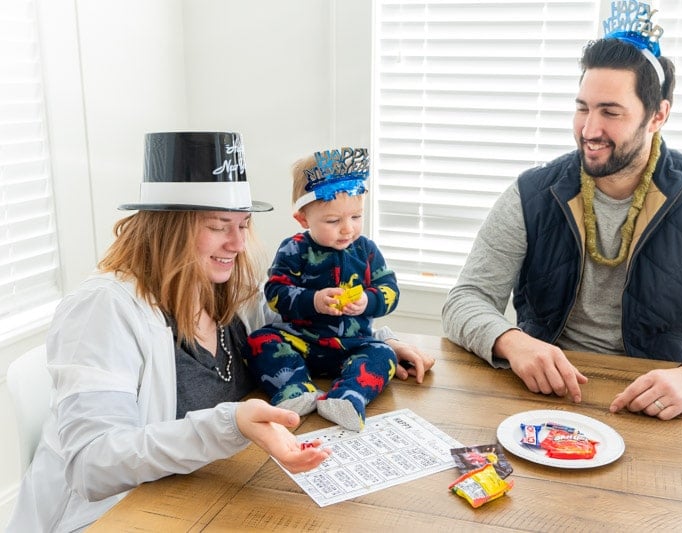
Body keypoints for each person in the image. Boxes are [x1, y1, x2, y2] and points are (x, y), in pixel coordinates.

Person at [7, 132, 433, 532]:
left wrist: (384, 340)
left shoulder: (228, 285)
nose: (238, 243)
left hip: (211, 491)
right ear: (165, 228)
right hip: (120, 516)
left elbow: (299, 327)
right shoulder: (103, 309)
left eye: (243, 224)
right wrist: (230, 423)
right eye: (217, 227)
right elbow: (91, 464)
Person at [442, 4, 682, 421]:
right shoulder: (530, 193)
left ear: (657, 115)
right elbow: (465, 299)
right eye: (582, 107)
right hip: (544, 398)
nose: (589, 129)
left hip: (661, 406)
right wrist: (513, 342)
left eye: (610, 112)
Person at [243, 147, 402, 432]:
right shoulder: (294, 249)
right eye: (332, 221)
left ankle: (347, 397)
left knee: (384, 355)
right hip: (301, 340)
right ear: (303, 219)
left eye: (356, 217)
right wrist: (313, 301)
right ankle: (295, 391)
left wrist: (368, 300)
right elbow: (276, 293)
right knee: (259, 340)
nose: (347, 229)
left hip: (353, 346)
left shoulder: (366, 250)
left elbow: (389, 290)